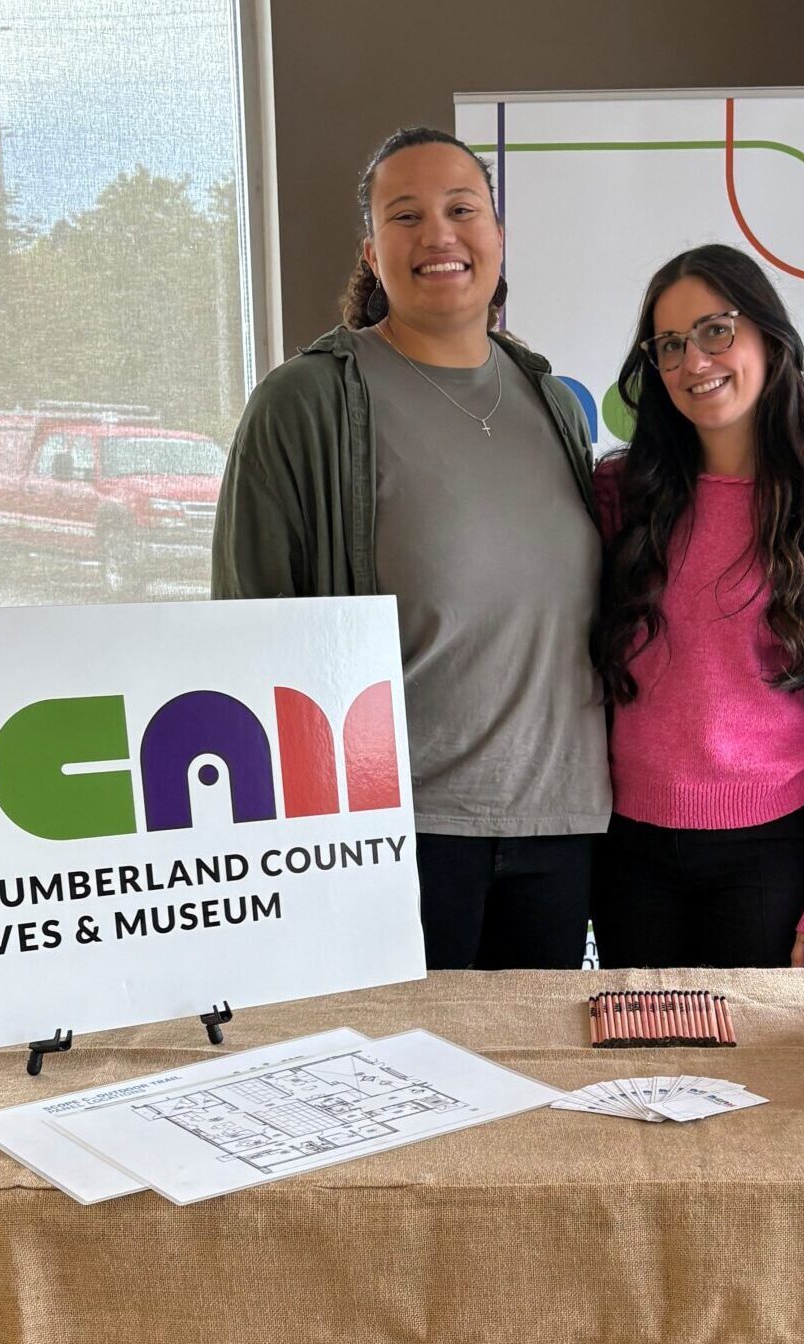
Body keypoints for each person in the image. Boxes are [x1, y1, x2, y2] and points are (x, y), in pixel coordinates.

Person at [211, 127, 609, 970]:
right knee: (402, 1087)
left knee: (537, 1090)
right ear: (372, 249)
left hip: (559, 826)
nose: (440, 234)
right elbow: (245, 637)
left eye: (463, 209)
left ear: (498, 235)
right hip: (398, 836)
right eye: (406, 215)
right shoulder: (307, 402)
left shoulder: (552, 400)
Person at [592, 244, 804, 970]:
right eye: (670, 345)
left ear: (768, 336)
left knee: (755, 1079)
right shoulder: (622, 499)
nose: (694, 361)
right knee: (642, 1071)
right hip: (629, 850)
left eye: (716, 330)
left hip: (769, 855)